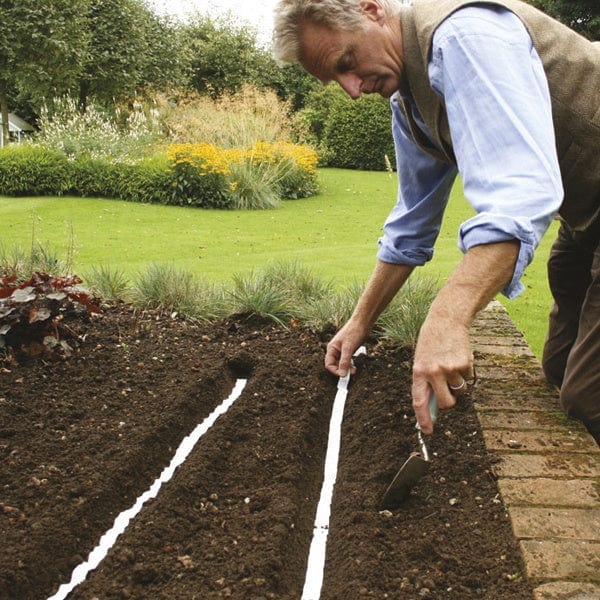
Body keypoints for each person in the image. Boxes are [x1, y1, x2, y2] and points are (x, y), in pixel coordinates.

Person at [272, 0, 600, 444]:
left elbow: (519, 197)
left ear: (371, 10)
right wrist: (359, 322)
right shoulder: (408, 102)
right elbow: (411, 224)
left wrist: (448, 319)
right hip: (585, 214)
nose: (351, 89)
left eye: (346, 62)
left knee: (587, 397)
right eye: (337, 79)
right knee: (560, 369)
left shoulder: (464, 39)